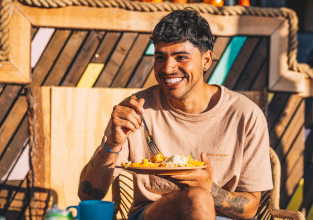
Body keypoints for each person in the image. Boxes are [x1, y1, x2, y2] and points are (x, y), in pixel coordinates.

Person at [78, 8, 273, 220]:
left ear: (206, 60)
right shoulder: (136, 110)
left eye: (181, 57)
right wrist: (113, 144)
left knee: (199, 197)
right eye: (160, 58)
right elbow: (88, 193)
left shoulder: (245, 115)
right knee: (196, 198)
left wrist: (210, 189)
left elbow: (251, 206)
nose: (168, 68)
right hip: (153, 214)